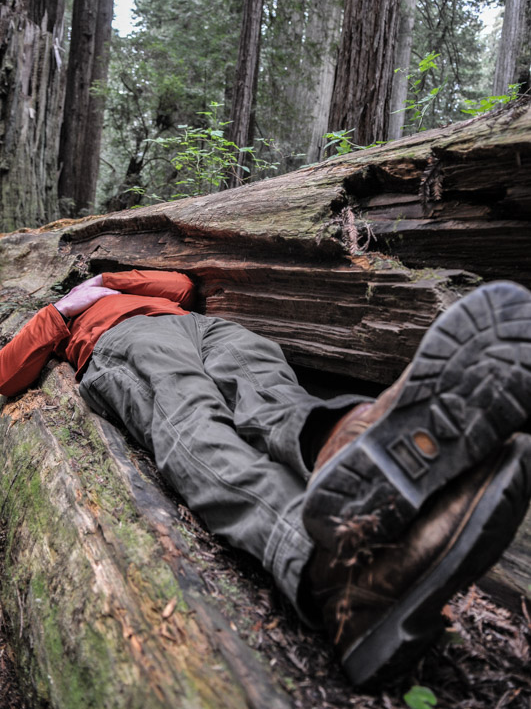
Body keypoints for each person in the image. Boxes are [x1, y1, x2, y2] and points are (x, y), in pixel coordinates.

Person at [1, 269, 531, 687]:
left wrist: (108, 280)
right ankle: (332, 574)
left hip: (202, 327)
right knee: (192, 421)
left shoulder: (116, 285)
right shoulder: (58, 317)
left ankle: (336, 447)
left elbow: (180, 286)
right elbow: (7, 373)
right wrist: (62, 310)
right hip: (122, 342)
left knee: (268, 387)